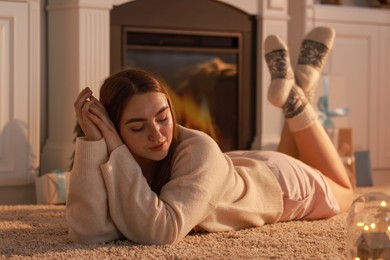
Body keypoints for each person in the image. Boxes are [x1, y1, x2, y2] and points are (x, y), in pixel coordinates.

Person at [67, 26, 353, 245]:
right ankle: (298, 88)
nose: (156, 134)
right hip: (242, 168)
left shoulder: (198, 150)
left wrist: (116, 144)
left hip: (282, 184)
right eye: (137, 127)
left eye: (163, 118)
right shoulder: (121, 153)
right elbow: (89, 232)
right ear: (114, 127)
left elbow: (161, 230)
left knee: (349, 194)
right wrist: (94, 142)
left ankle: (295, 99)